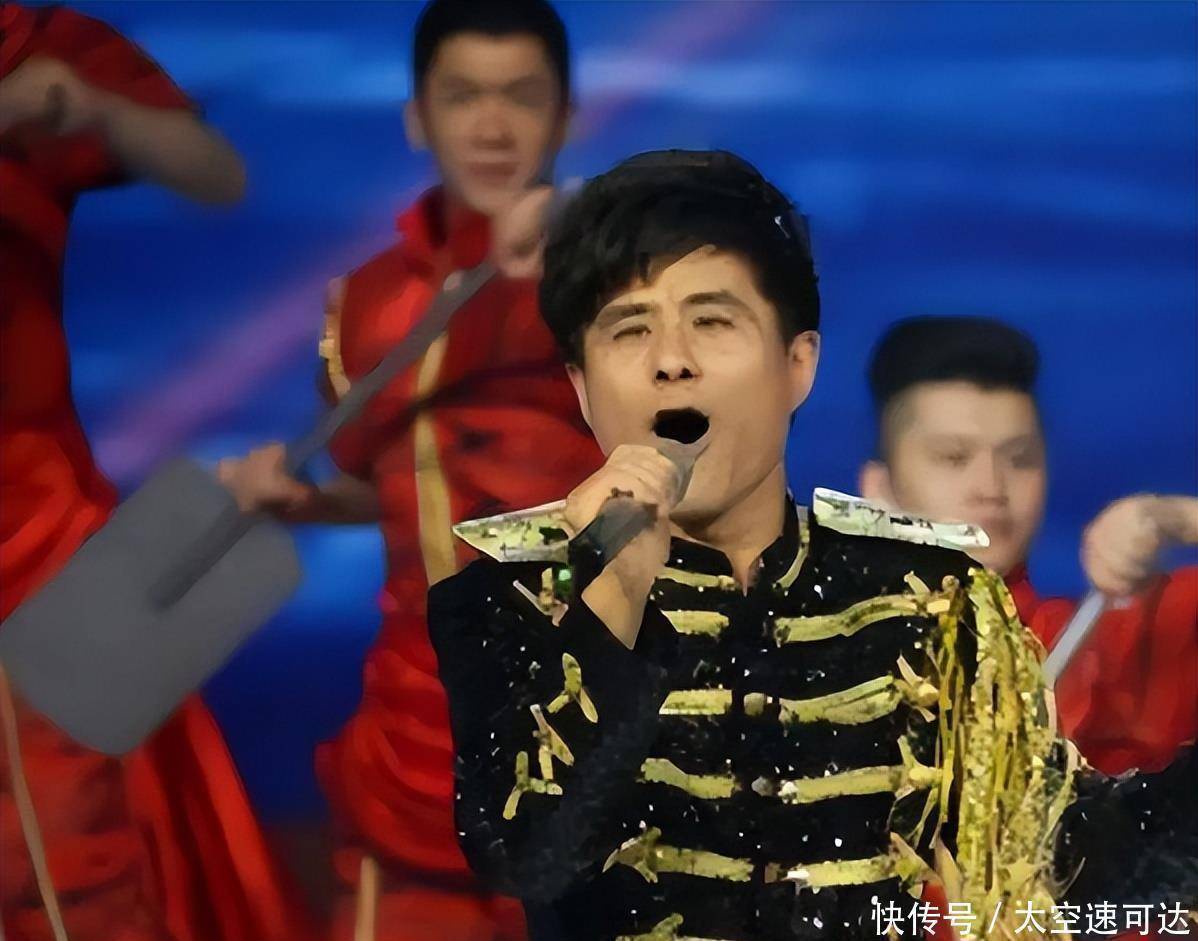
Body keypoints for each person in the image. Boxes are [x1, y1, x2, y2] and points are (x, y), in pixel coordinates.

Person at [425, 150, 1195, 941]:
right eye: (631, 329)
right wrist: (612, 596)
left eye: (712, 321)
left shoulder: (927, 598)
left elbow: (1058, 861)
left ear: (798, 365)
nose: (672, 361)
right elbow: (525, 855)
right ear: (583, 389)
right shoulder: (512, 597)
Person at [217, 1, 601, 937]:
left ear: (568, 117)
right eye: (463, 97)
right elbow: (391, 487)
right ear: (417, 119)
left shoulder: (621, 280)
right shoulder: (366, 305)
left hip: (591, 715)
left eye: (521, 97)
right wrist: (303, 502)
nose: (492, 126)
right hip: (415, 735)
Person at [0, 4, 309, 940]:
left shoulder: (28, 41)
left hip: (38, 525)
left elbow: (216, 172)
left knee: (84, 853)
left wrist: (93, 106)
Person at [859, 316, 1197, 775]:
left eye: (1019, 459)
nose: (991, 487)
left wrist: (1176, 518)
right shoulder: (807, 658)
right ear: (878, 490)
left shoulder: (1111, 652)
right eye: (954, 458)